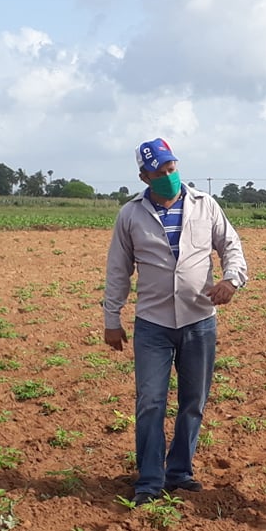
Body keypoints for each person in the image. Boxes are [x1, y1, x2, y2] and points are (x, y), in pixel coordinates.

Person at [103, 138, 248, 505]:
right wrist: (111, 317)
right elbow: (118, 269)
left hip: (199, 320)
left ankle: (180, 471)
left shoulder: (205, 205)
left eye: (172, 169)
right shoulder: (130, 215)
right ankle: (150, 479)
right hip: (152, 323)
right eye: (159, 172)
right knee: (150, 400)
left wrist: (231, 279)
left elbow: (230, 245)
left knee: (193, 400)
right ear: (144, 176)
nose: (168, 176)